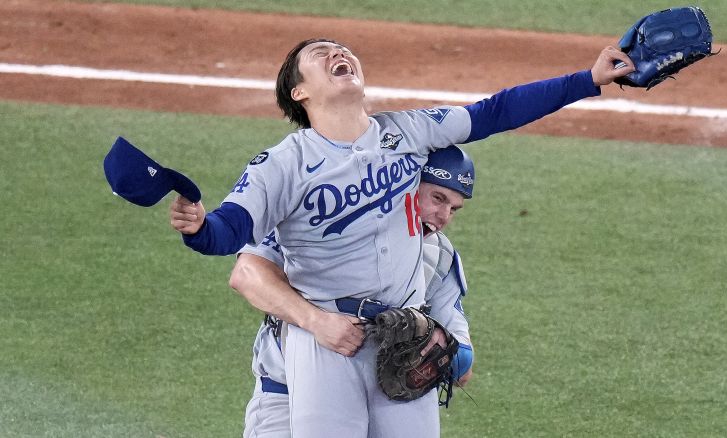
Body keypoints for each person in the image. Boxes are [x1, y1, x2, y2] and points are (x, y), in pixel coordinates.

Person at [169, 38, 634, 437]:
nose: (337, 51)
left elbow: (495, 111)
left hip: (405, 338)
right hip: (326, 339)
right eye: (319, 53)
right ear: (300, 91)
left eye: (341, 48)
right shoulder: (282, 164)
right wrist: (199, 226)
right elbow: (227, 232)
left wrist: (587, 79)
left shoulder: (408, 131)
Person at [236, 146, 476, 438]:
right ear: (407, 181)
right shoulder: (326, 218)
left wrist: (435, 347)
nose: (443, 216)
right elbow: (246, 275)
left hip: (383, 402)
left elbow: (462, 366)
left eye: (453, 208)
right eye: (437, 198)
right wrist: (316, 321)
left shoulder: (439, 256)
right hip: (284, 393)